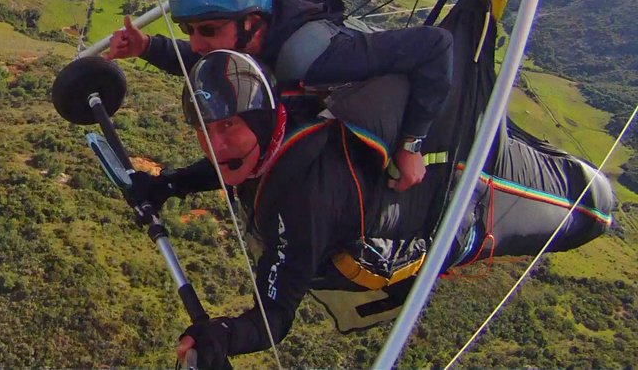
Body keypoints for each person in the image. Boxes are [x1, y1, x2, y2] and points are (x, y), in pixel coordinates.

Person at [130, 50, 613, 369]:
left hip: (466, 212)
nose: (214, 144)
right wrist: (169, 183)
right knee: (551, 168)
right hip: (436, 171)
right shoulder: (284, 116)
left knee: (595, 209)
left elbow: (273, 318)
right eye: (204, 129)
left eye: (228, 127)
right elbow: (233, 163)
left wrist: (224, 335)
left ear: (258, 120)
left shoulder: (299, 206)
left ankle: (587, 189)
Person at [106, 0, 453, 192]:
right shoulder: (249, 43)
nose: (196, 43)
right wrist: (146, 46)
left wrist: (411, 144)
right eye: (188, 30)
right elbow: (205, 63)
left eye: (208, 29)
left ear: (250, 22)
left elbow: (436, 44)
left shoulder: (315, 58)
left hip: (412, 118)